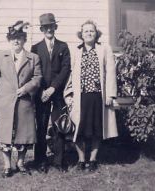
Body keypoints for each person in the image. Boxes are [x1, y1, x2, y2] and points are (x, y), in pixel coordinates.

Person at [0, 20, 42, 178]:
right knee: (5, 135)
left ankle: (20, 162)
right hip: (6, 102)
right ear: (9, 40)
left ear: (24, 39)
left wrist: (26, 89)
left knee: (23, 135)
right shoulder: (0, 56)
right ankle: (7, 165)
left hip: (25, 102)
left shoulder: (33, 58)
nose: (16, 40)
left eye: (19, 37)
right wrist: (4, 91)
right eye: (13, 38)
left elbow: (38, 78)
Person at [64, 20, 118, 171]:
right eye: (86, 31)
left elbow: (111, 72)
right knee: (78, 129)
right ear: (81, 35)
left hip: (97, 96)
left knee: (96, 129)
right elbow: (70, 74)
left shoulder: (104, 49)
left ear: (96, 34)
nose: (88, 33)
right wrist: (69, 95)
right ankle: (81, 160)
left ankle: (93, 160)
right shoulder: (76, 51)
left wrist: (110, 95)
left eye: (91, 31)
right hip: (80, 96)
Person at [31, 13, 71, 172]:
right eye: (46, 27)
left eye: (51, 26)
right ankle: (40, 161)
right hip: (41, 94)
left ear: (56, 27)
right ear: (42, 29)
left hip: (58, 93)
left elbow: (65, 69)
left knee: (59, 126)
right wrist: (42, 91)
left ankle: (59, 161)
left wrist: (53, 88)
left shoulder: (63, 46)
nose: (49, 29)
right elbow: (34, 72)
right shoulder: (35, 48)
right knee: (40, 127)